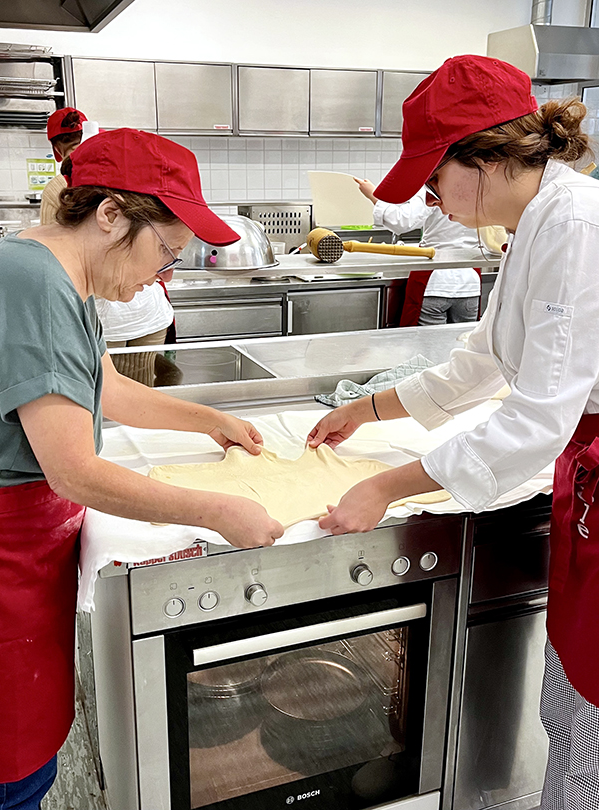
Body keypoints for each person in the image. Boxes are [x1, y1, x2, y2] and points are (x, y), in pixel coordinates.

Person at [308, 54, 599, 809]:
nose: (432, 195)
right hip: (584, 477)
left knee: (593, 716)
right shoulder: (531, 222)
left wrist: (387, 487)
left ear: (493, 155)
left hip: (587, 460)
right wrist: (363, 411)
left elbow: (534, 418)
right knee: (570, 694)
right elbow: (482, 366)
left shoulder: (575, 226)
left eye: (436, 175)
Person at [0, 127, 283, 808]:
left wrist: (208, 419)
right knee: (14, 772)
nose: (165, 276)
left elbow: (104, 389)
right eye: (165, 250)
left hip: (29, 553)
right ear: (110, 215)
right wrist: (217, 510)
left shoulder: (55, 273)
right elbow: (73, 471)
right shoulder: (33, 283)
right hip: (9, 550)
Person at [42, 108, 175, 387]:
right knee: (132, 390)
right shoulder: (129, 176)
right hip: (136, 309)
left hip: (117, 310)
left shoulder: (59, 188)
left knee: (109, 393)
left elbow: (52, 258)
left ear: (56, 149)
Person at [354, 178, 481, 325]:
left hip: (435, 283)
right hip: (470, 285)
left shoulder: (436, 184)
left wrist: (372, 194)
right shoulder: (480, 185)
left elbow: (402, 221)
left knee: (426, 345)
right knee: (462, 342)